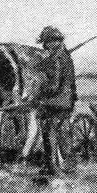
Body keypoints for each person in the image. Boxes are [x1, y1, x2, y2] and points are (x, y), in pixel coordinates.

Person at [35, 26, 77, 176]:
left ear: (53, 42)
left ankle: (53, 167)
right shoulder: (65, 57)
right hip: (66, 102)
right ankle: (69, 166)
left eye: (45, 43)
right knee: (64, 133)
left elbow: (53, 86)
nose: (44, 46)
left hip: (54, 103)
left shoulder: (54, 60)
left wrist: (40, 98)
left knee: (50, 133)